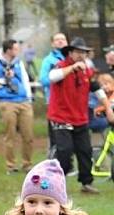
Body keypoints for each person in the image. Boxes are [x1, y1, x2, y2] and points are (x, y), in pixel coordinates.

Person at [48, 37, 100, 194]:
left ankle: (86, 183)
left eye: (84, 53)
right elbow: (52, 77)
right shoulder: (61, 66)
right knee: (64, 151)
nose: (81, 55)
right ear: (70, 53)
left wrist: (107, 107)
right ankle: (56, 185)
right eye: (78, 52)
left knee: (85, 151)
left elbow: (96, 88)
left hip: (80, 119)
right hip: (61, 118)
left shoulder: (87, 71)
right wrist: (72, 68)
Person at [0, 39, 34, 175]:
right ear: (8, 50)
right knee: (10, 135)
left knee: (28, 135)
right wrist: (4, 80)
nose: (18, 51)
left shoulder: (18, 63)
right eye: (15, 49)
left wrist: (29, 98)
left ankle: (27, 164)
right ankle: (11, 165)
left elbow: (25, 81)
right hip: (7, 102)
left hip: (24, 101)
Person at [40, 33, 68, 153]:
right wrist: (59, 76)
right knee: (56, 135)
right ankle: (54, 161)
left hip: (71, 102)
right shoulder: (48, 61)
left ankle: (70, 164)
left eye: (63, 39)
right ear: (52, 43)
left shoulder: (71, 59)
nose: (60, 41)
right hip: (55, 102)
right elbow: (44, 80)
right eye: (57, 40)